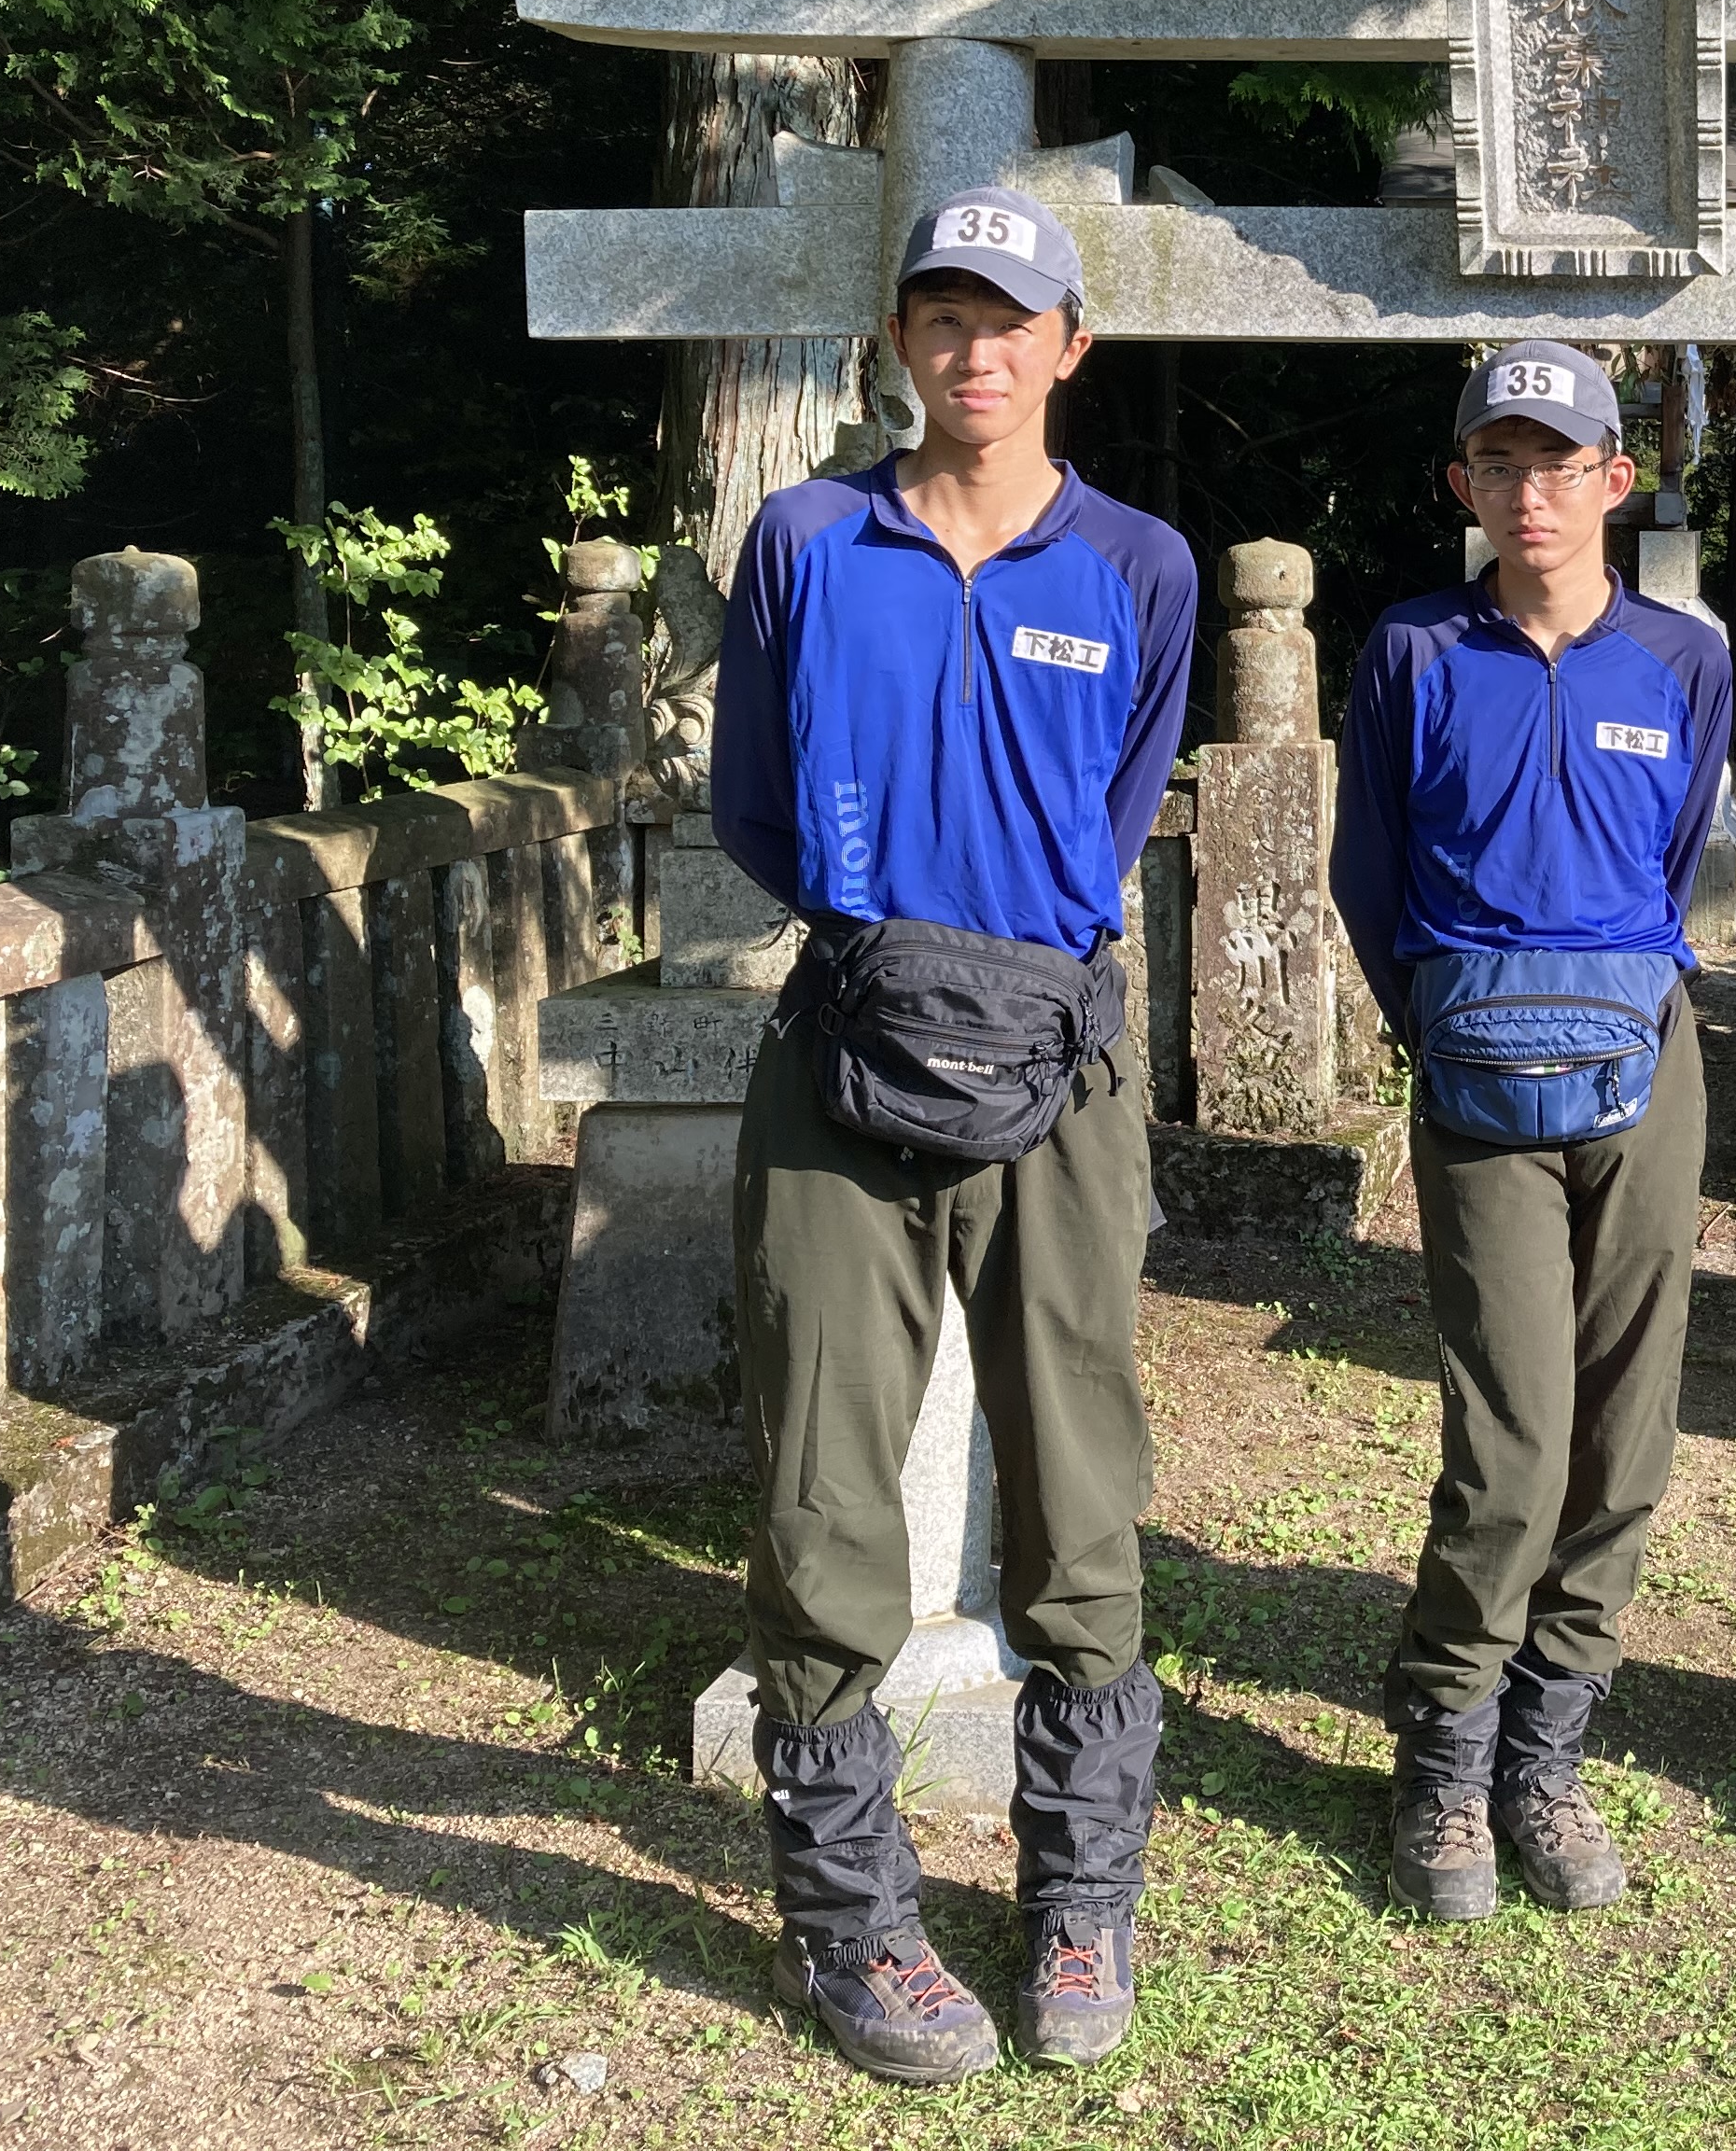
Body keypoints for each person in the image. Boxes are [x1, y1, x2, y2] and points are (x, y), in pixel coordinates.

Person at [708, 186, 1197, 2081]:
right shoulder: (810, 540)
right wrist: (890, 923)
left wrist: (1004, 959)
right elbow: (756, 797)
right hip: (845, 1039)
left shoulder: (1140, 567)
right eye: (940, 312)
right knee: (824, 1487)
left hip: (1056, 1066)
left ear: (1071, 346)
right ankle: (856, 1921)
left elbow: (1119, 805)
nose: (974, 347)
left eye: (1011, 316)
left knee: (1078, 1480)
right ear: (898, 340)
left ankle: (1081, 1901)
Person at [1330, 342, 1732, 1923]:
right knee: (1509, 1426)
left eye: (1562, 462)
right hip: (1475, 1063)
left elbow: (1686, 849)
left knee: (1627, 1425)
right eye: (1501, 464)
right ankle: (1442, 1753)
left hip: (1643, 1053)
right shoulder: (1419, 650)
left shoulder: (1681, 662)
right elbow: (1372, 876)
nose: (1533, 493)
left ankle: (1546, 1748)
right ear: (1465, 486)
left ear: (1617, 481)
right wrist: (1436, 1025)